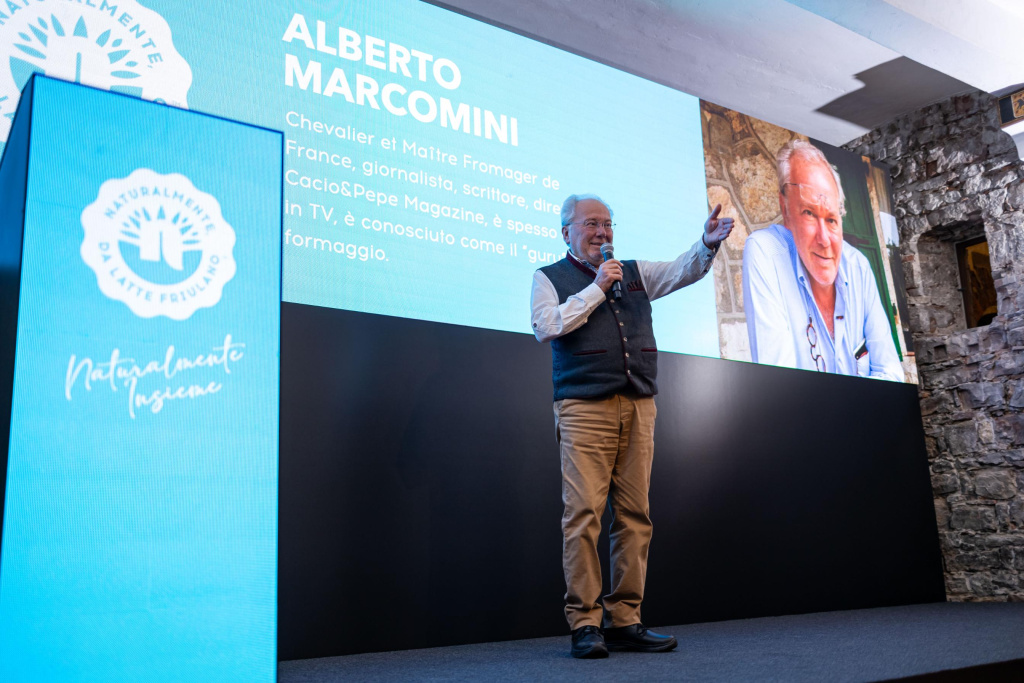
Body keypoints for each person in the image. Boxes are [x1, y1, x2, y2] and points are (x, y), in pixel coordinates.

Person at [530, 194, 732, 659]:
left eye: (607, 224)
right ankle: (585, 623)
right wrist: (598, 287)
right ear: (567, 232)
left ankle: (625, 619)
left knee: (635, 517)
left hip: (639, 405)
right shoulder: (549, 278)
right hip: (584, 408)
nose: (602, 233)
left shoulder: (635, 273)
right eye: (591, 224)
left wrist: (706, 243)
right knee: (582, 516)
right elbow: (545, 326)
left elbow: (685, 269)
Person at [742, 140, 904, 381]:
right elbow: (781, 384)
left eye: (831, 219)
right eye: (809, 213)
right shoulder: (766, 253)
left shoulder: (858, 266)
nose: (824, 240)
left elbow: (891, 372)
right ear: (785, 209)